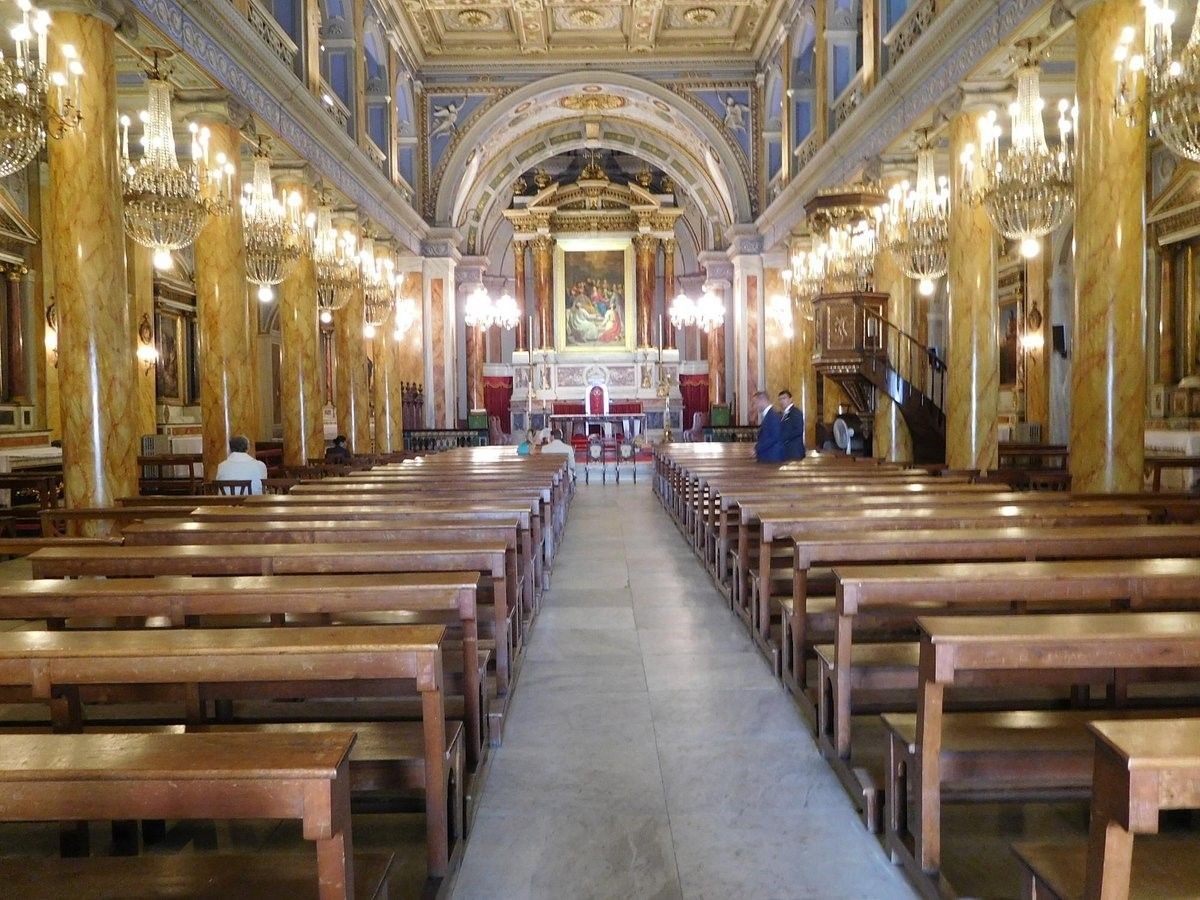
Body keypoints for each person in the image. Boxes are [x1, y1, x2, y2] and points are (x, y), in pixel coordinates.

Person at [753, 391, 784, 463]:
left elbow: (774, 437)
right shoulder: (769, 414)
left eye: (756, 402)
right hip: (768, 455)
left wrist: (757, 449)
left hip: (772, 457)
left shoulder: (773, 415)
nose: (755, 406)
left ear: (762, 400)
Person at [779, 389, 806, 460]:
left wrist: (781, 437)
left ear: (791, 399)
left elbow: (798, 430)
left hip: (794, 451)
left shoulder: (796, 412)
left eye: (784, 398)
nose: (781, 401)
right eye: (780, 399)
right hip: (786, 450)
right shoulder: (781, 414)